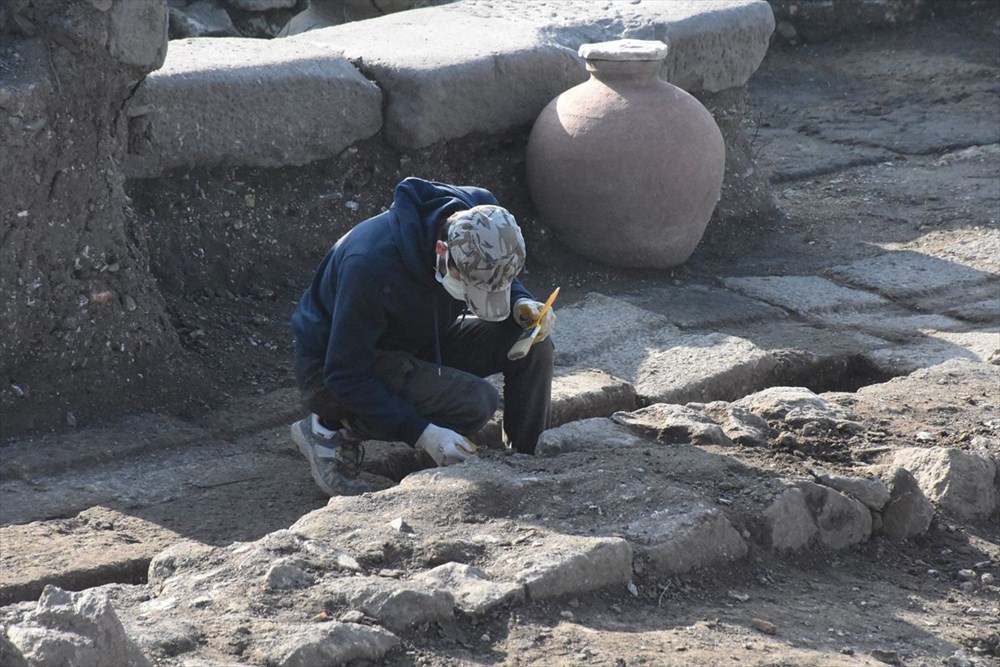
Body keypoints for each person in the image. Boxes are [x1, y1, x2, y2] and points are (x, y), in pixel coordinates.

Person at [290, 177, 556, 496]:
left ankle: (524, 463)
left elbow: (498, 274)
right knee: (474, 403)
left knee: (533, 345)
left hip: (420, 336)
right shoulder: (370, 265)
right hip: (338, 366)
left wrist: (520, 301)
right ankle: (328, 427)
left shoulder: (484, 218)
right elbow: (344, 373)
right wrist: (423, 432)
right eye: (470, 285)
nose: (476, 295)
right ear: (441, 251)